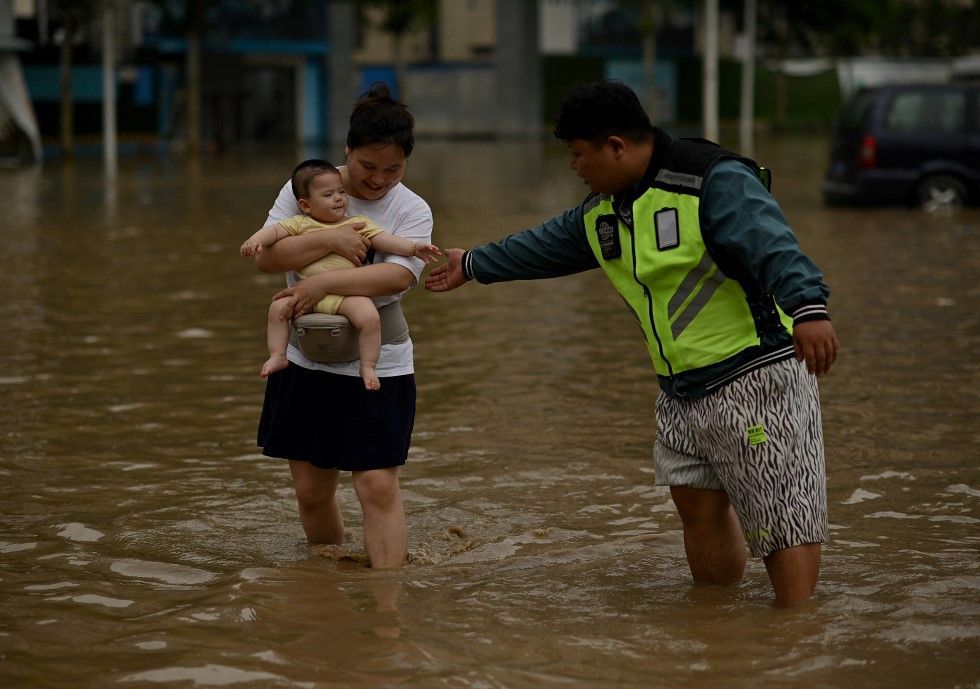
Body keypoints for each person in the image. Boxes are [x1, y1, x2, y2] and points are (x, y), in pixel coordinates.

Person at [425, 80, 839, 607]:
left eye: (578, 154)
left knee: (784, 518)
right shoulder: (605, 211)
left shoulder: (711, 180)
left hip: (756, 375)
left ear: (616, 146)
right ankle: (716, 627)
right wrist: (473, 264)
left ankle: (794, 636)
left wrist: (809, 308)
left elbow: (772, 243)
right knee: (695, 505)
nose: (573, 167)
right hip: (681, 390)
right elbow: (548, 244)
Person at [250, 84, 433, 569]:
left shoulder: (411, 209)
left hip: (379, 352)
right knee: (311, 489)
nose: (377, 181)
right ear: (347, 151)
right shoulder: (308, 188)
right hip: (305, 350)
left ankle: (387, 606)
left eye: (392, 169)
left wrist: (324, 278)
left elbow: (397, 275)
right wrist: (330, 237)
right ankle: (325, 583)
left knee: (376, 484)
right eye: (367, 167)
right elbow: (270, 258)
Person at [240, 159, 440, 387]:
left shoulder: (358, 223)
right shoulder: (299, 223)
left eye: (341, 192)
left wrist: (414, 248)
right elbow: (272, 234)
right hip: (304, 295)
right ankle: (278, 355)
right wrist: (254, 240)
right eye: (328, 195)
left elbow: (386, 241)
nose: (338, 198)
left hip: (345, 296)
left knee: (369, 316)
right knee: (277, 308)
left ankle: (367, 365)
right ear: (306, 205)